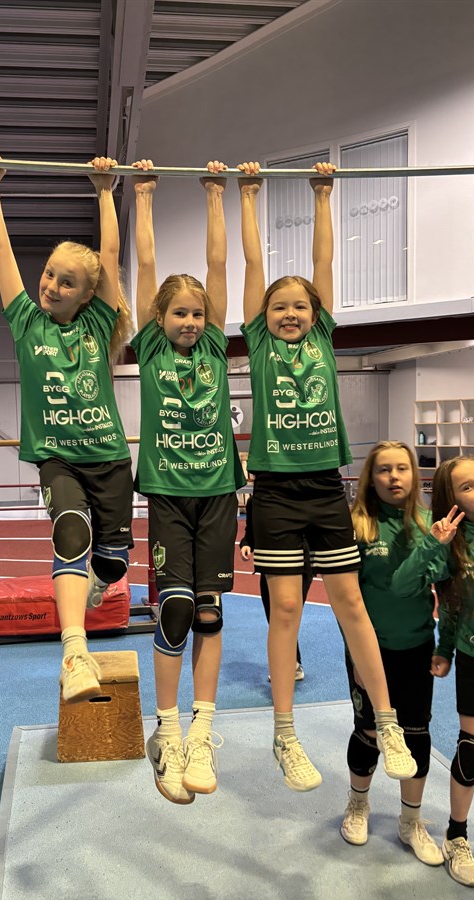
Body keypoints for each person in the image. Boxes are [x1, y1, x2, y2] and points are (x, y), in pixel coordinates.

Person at [238, 160, 416, 791]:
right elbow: (253, 266)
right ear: (264, 316)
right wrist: (248, 196)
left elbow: (324, 262)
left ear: (316, 314)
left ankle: (388, 721)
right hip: (275, 491)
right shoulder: (261, 346)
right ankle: (285, 734)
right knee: (285, 607)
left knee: (350, 602)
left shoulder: (322, 341)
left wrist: (323, 195)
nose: (290, 313)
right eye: (279, 307)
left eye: (300, 306)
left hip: (322, 487)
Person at [0, 150, 134, 704]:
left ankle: (96, 583)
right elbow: (1, 251)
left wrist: (105, 191)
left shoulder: (98, 323)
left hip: (109, 460)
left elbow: (110, 255)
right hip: (58, 459)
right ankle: (74, 652)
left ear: (88, 294)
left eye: (67, 282)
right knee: (70, 531)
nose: (52, 286)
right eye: (49, 274)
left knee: (113, 562)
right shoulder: (26, 322)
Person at [131, 159, 244, 804]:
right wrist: (143, 195)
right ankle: (167, 730)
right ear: (160, 317)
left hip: (219, 494)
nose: (191, 322)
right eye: (179, 313)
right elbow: (146, 265)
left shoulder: (213, 348)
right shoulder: (151, 348)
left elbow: (219, 265)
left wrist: (216, 195)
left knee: (208, 612)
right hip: (171, 497)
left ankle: (203, 727)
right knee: (174, 608)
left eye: (198, 314)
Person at [393, 456, 474, 886]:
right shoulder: (450, 543)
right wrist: (444, 648)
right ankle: (456, 836)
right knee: (473, 751)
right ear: (451, 500)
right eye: (467, 487)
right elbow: (408, 587)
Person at [339, 441, 443, 866]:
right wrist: (356, 656)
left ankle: (410, 821)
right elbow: (346, 603)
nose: (394, 477)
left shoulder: (429, 523)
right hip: (371, 650)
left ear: (414, 475)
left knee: (416, 733)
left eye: (402, 468)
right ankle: (358, 805)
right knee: (369, 731)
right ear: (371, 477)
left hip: (417, 645)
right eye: (384, 469)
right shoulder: (356, 526)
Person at [239, 494, 309, 680]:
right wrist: (246, 544)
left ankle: (288, 665)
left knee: (286, 615)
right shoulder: (254, 502)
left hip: (301, 561)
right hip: (270, 564)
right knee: (274, 616)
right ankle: (292, 663)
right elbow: (250, 532)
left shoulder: (299, 497)